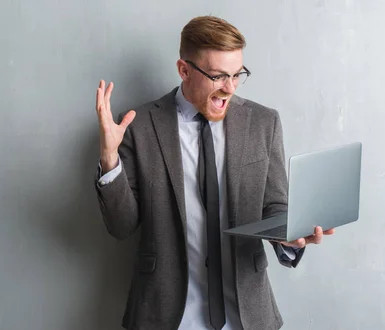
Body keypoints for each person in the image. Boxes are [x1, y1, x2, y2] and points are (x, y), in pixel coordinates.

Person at [93, 15, 334, 330]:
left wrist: (290, 236)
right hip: (166, 316)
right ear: (184, 70)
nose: (230, 88)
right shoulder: (138, 126)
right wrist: (109, 157)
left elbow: (275, 206)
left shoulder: (264, 123)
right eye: (219, 76)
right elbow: (122, 226)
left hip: (246, 315)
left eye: (238, 75)